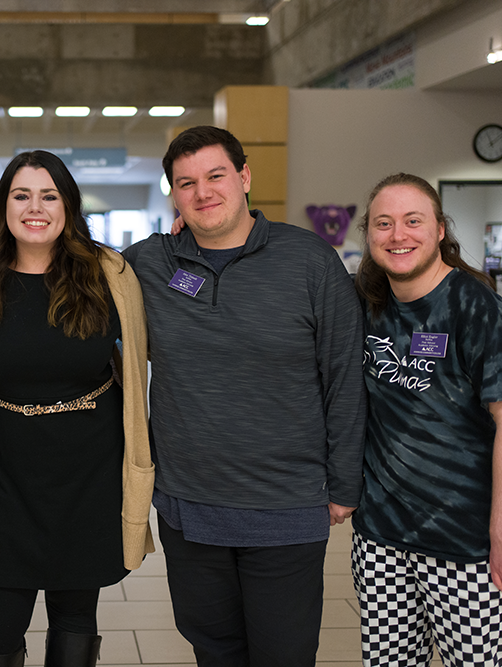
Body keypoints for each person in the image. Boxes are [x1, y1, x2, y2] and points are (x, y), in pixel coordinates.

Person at [123, 125, 366, 667]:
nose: (203, 192)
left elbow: (345, 374)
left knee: (284, 653)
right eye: (186, 183)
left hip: (286, 503)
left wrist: (345, 482)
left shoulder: (309, 261)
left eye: (215, 176)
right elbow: (69, 276)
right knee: (214, 649)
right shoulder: (149, 264)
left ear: (245, 176)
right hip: (189, 504)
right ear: (173, 194)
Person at [0, 150, 155, 667]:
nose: (36, 207)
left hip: (90, 474)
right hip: (4, 477)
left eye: (49, 195)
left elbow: (149, 343)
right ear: (3, 205)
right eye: (22, 195)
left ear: (68, 206)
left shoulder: (109, 272)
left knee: (76, 615)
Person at [352, 173, 502, 666]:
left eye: (413, 221)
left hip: (467, 543)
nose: (398, 235)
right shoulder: (366, 305)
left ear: (439, 231)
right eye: (384, 224)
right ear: (369, 236)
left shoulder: (478, 309)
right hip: (381, 541)